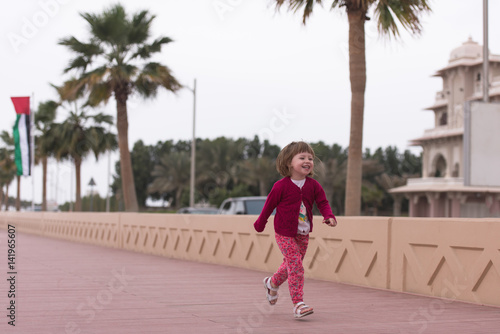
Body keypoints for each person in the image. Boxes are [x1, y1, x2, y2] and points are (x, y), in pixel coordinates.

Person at [254, 141, 337, 319]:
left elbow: (322, 202)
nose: (308, 161)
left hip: (303, 233)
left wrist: (329, 216)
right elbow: (269, 206)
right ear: (289, 162)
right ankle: (298, 303)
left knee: (291, 265)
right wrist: (260, 223)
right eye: (302, 157)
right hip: (283, 232)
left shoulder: (313, 185)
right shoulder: (281, 186)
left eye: (310, 158)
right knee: (296, 266)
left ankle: (271, 283)